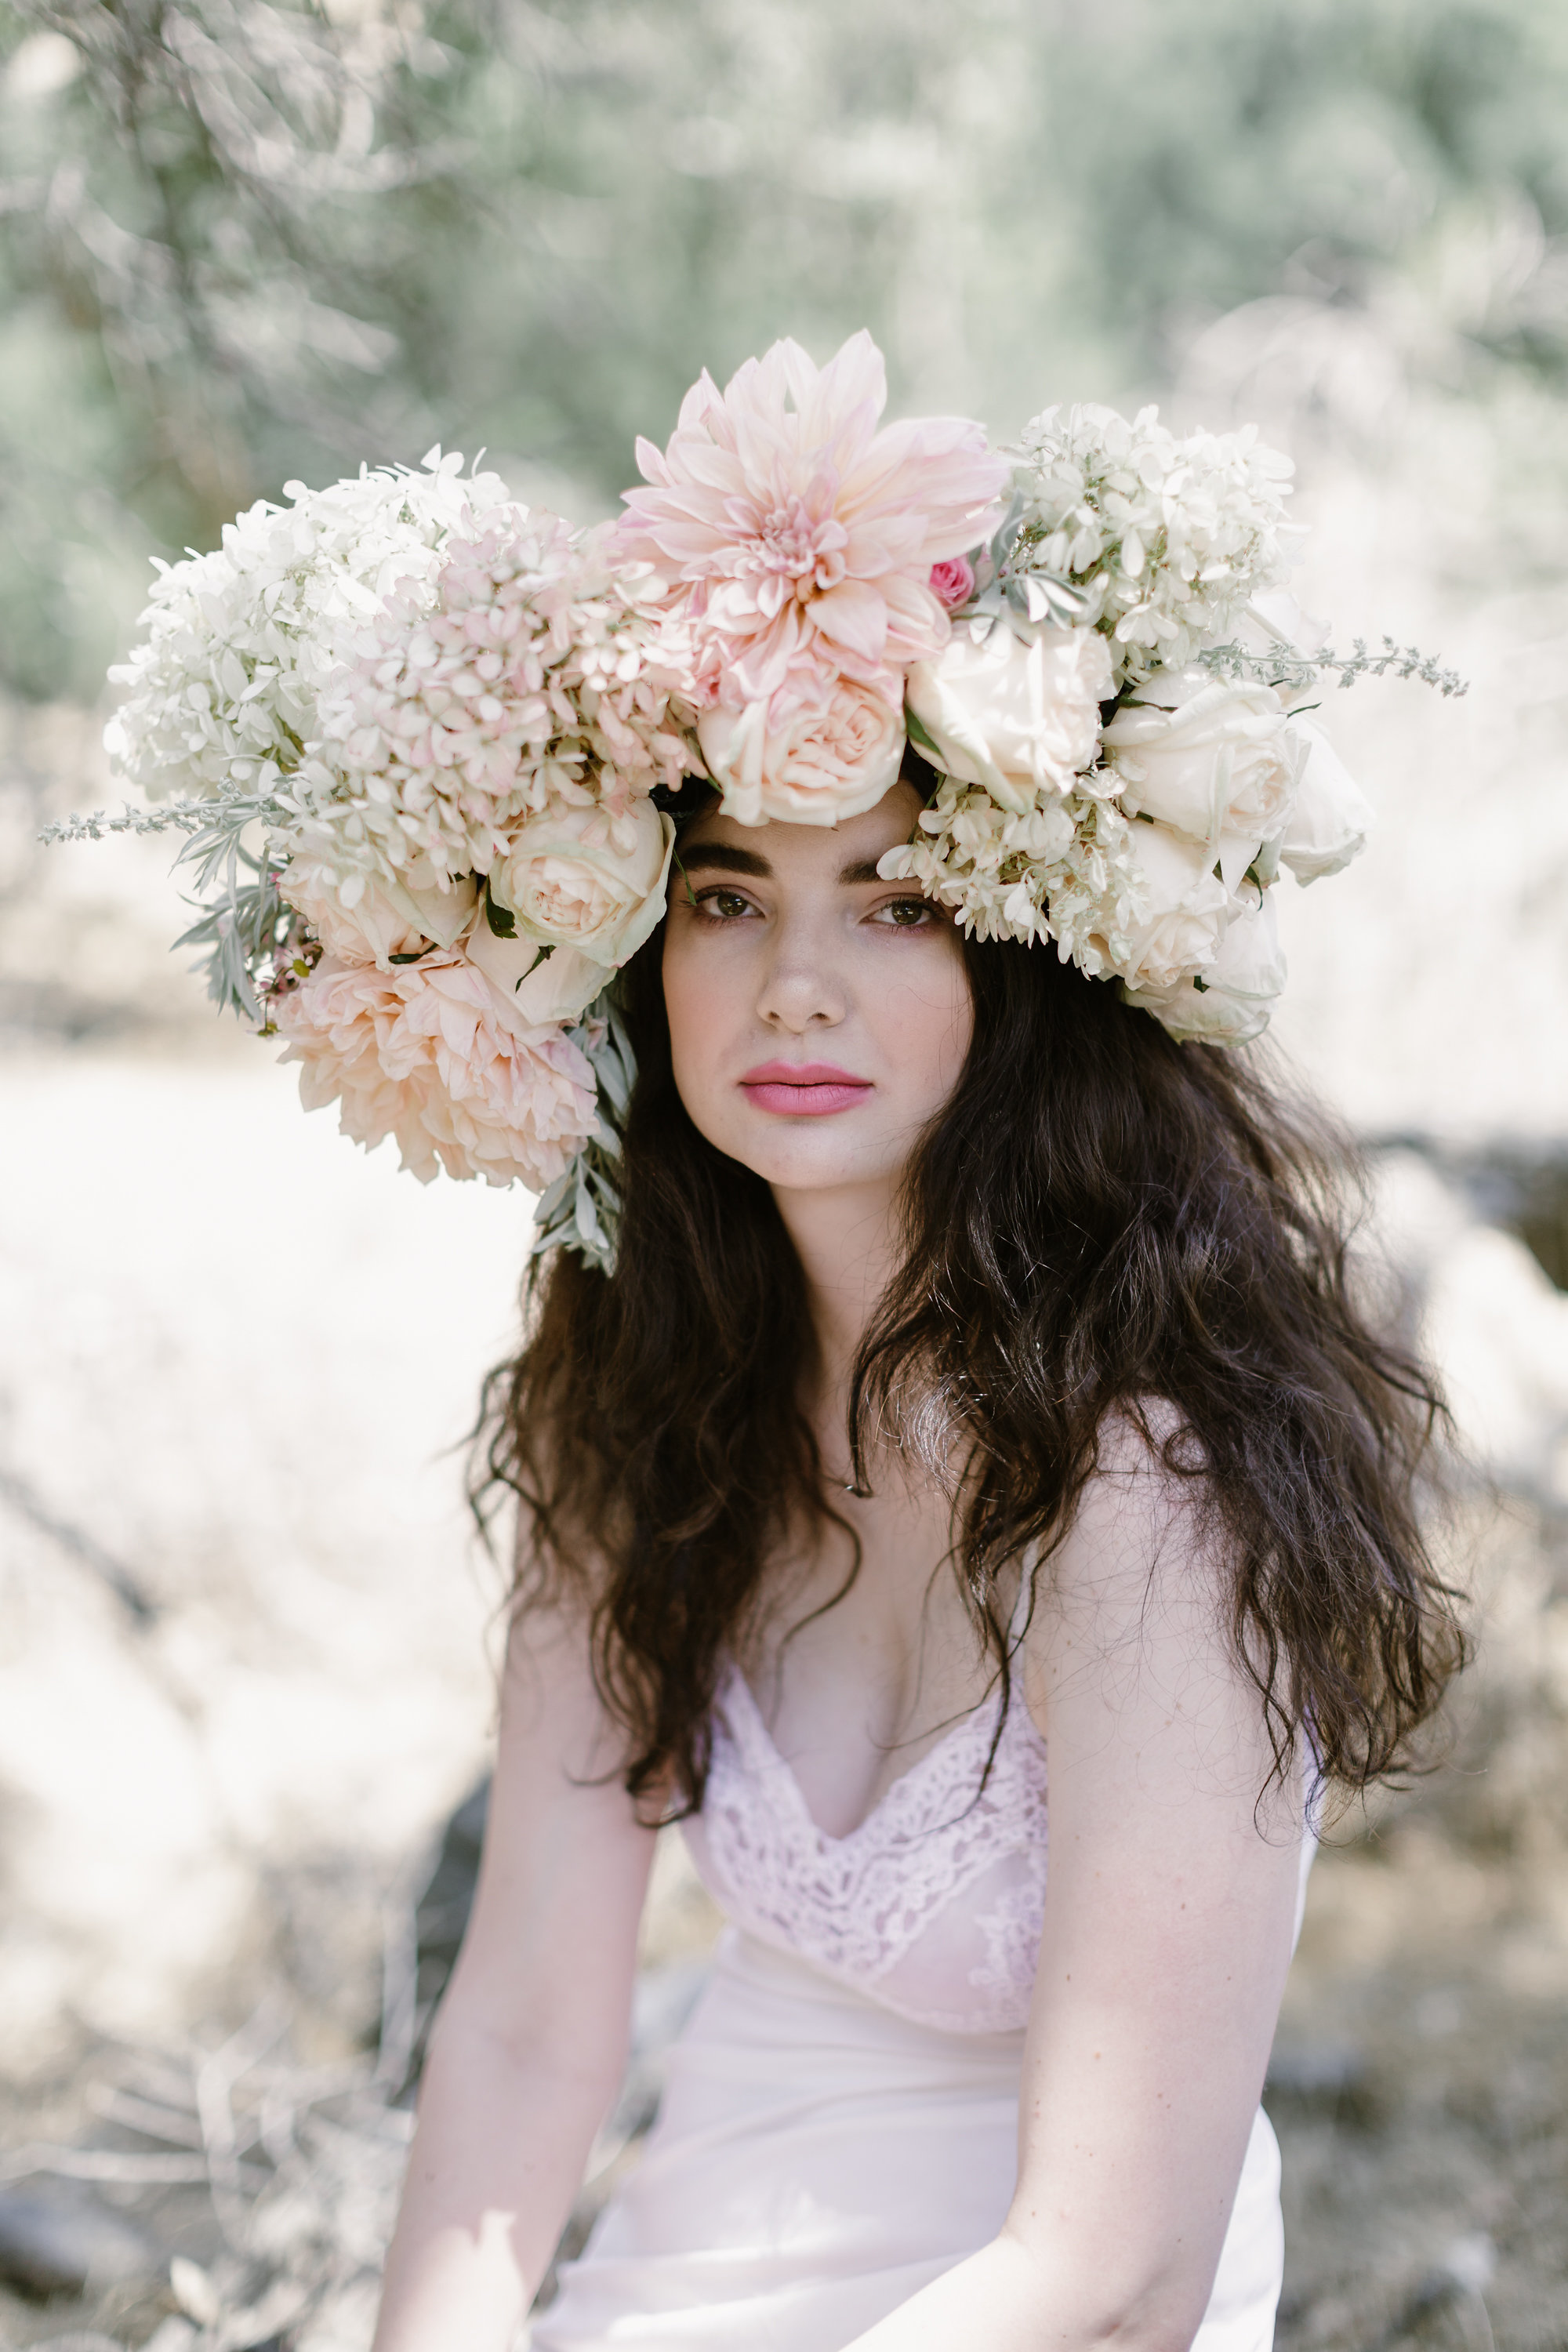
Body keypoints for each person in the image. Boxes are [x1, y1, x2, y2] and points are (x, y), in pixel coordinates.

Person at [366, 747, 1461, 2352]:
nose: (793, 987)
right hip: (678, 2282)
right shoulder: (646, 1401)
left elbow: (1113, 2274)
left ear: (1030, 960)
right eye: (725, 897)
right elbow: (526, 2026)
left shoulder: (1143, 1491)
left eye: (901, 906)